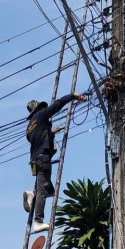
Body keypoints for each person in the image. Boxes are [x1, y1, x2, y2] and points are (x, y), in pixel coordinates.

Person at [24, 93, 86, 232]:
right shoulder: (41, 115)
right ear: (39, 109)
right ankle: (38, 221)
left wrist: (51, 132)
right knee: (43, 189)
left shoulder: (29, 128)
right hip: (43, 158)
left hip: (34, 161)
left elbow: (39, 138)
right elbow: (57, 104)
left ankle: (32, 195)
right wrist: (73, 96)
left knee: (47, 188)